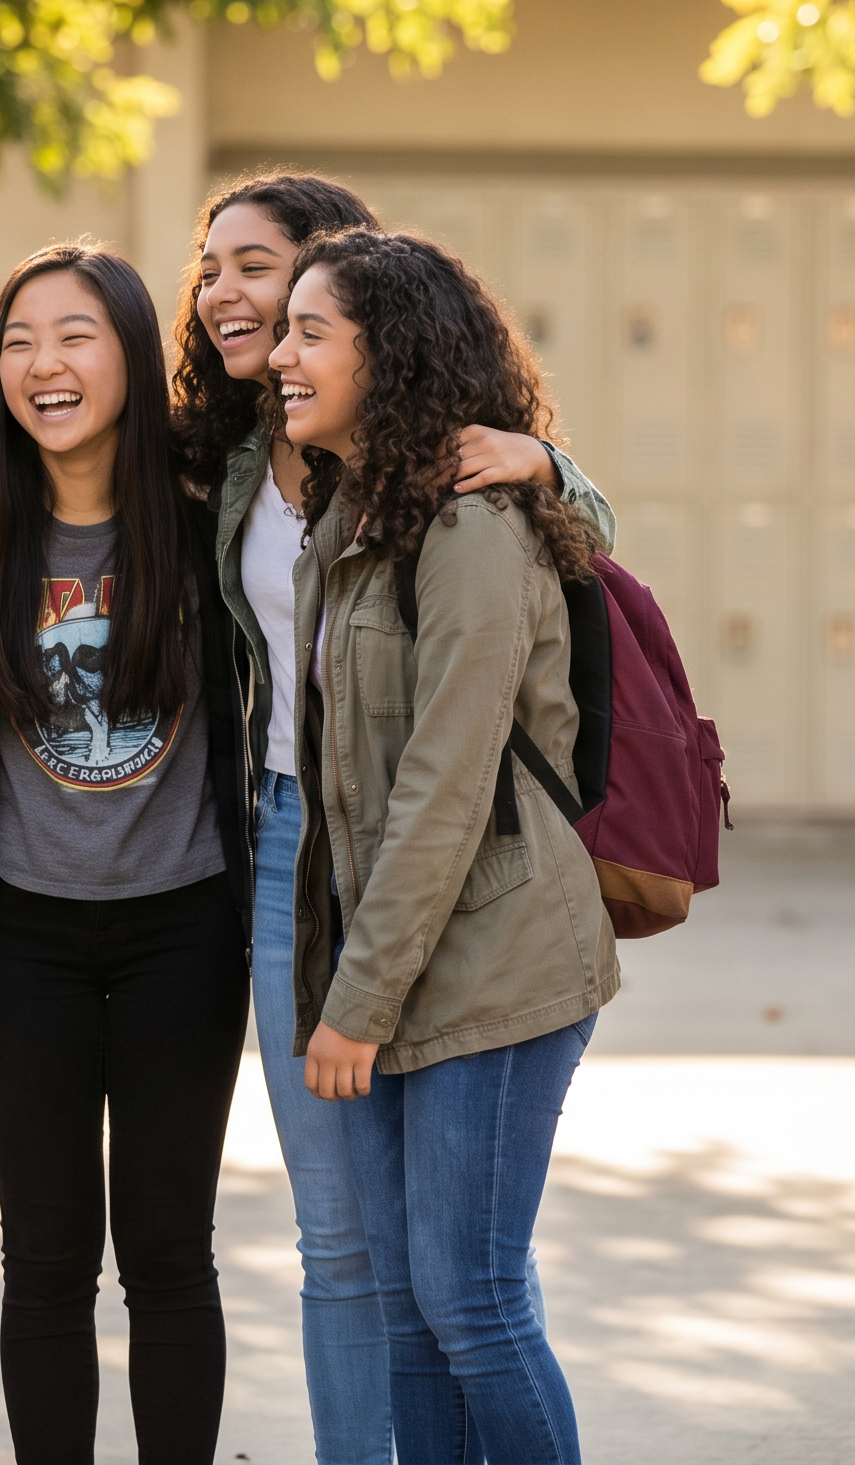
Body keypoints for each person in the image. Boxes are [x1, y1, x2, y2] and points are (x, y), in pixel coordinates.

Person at [172, 172, 613, 1465]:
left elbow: (443, 784)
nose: (275, 350)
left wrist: (354, 999)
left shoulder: (474, 519)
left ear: (393, 352)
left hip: (492, 941)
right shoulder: (335, 509)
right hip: (345, 893)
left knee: (468, 1299)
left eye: (312, 330)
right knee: (408, 1306)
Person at [0, 244, 253, 1465]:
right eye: (16, 339)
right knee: (45, 1257)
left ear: (128, 351)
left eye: (74, 335)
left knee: (169, 1251)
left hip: (185, 924)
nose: (41, 364)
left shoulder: (212, 504)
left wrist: (543, 464)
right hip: (22, 934)